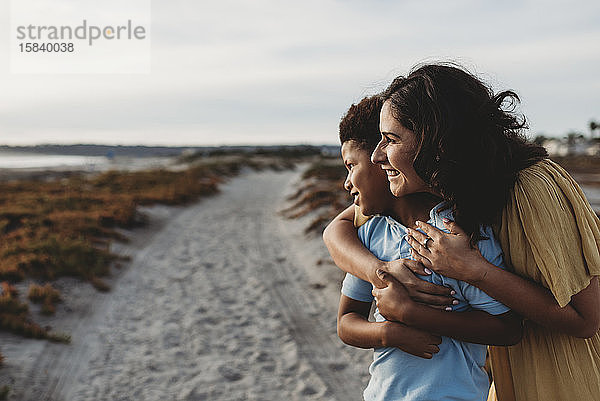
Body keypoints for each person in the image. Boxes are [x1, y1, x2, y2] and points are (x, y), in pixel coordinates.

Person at [323, 63, 600, 401]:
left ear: (437, 141)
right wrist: (382, 273)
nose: (379, 155)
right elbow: (337, 229)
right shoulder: (455, 189)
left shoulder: (529, 187)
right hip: (512, 371)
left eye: (391, 139)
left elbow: (585, 321)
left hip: (564, 376)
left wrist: (472, 270)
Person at [334, 96, 521, 401]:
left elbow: (506, 329)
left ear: (383, 161)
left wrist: (411, 314)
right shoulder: (370, 236)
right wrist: (387, 333)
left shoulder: (459, 237)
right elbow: (346, 323)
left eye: (350, 166)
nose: (346, 182)